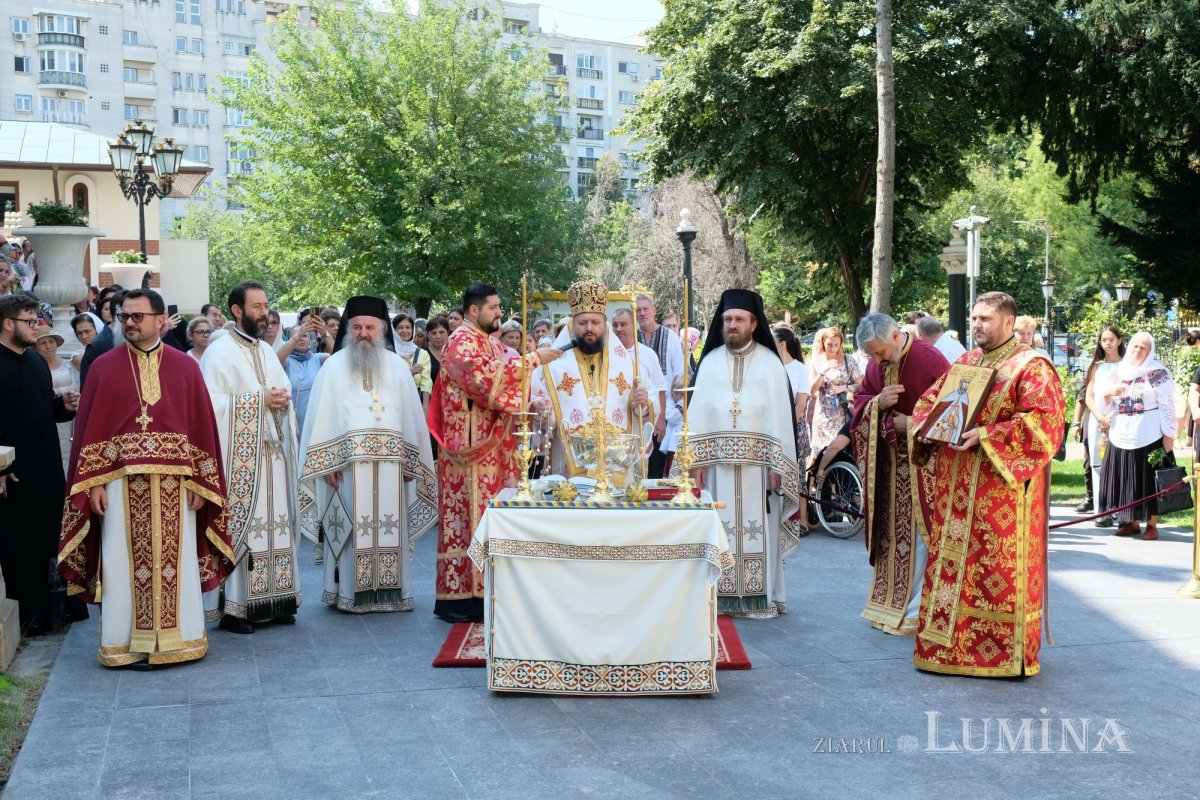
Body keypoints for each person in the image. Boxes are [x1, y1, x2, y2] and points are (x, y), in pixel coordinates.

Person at [58, 289, 234, 666]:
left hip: (177, 487)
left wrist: (200, 483)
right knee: (121, 564)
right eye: (124, 316)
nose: (130, 323)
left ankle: (180, 640)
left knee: (178, 564)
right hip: (119, 486)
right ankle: (124, 643)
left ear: (160, 319)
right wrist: (94, 483)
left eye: (138, 316)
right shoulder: (103, 367)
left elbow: (201, 429)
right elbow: (91, 431)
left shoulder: (185, 367)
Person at [910, 291, 1065, 677]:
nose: (977, 324)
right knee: (954, 571)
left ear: (1008, 322)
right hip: (956, 491)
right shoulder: (967, 361)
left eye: (985, 319)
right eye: (975, 317)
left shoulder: (1031, 366)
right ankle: (946, 649)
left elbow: (1045, 423)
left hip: (1001, 496)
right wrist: (927, 428)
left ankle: (1000, 656)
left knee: (994, 573)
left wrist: (986, 434)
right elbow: (930, 403)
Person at [428, 284, 561, 623]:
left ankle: (490, 591)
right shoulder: (460, 341)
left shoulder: (492, 342)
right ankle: (463, 599)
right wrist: (534, 359)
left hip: (496, 447)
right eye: (494, 307)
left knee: (492, 514)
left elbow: (510, 385)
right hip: (467, 450)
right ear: (474, 310)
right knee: (468, 520)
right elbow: (484, 381)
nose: (499, 313)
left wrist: (531, 402)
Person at [298, 296, 438, 613]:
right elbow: (321, 417)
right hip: (347, 469)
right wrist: (325, 464)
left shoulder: (398, 368)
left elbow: (411, 418)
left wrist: (411, 463)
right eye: (357, 327)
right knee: (349, 531)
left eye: (370, 327)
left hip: (392, 467)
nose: (363, 333)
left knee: (391, 529)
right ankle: (348, 593)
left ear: (382, 330)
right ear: (349, 329)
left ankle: (392, 592)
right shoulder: (333, 367)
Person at [687, 289, 801, 618]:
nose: (732, 325)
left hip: (760, 470)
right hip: (717, 467)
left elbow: (780, 417)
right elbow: (699, 413)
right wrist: (696, 461)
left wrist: (780, 465)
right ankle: (721, 597)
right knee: (719, 529)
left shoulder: (770, 363)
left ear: (753, 323)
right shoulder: (710, 361)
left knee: (759, 531)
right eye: (727, 319)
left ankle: (759, 599)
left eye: (739, 319)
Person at [199, 281, 302, 634]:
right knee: (244, 531)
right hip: (239, 461)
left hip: (273, 458)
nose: (264, 313)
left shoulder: (266, 351)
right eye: (257, 307)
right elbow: (209, 408)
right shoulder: (219, 352)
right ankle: (237, 609)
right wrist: (259, 401)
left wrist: (281, 402)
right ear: (237, 310)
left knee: (277, 527)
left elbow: (282, 393)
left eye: (266, 306)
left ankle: (278, 600)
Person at [850, 313, 948, 635]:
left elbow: (952, 412)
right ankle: (889, 603)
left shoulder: (929, 359)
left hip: (923, 468)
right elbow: (860, 404)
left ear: (895, 336)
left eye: (880, 352)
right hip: (888, 470)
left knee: (920, 539)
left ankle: (916, 609)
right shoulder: (875, 365)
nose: (878, 361)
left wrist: (912, 423)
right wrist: (877, 404)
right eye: (872, 356)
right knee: (891, 538)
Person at [0, 298, 81, 635]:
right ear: (8, 323)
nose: (36, 327)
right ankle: (31, 618)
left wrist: (62, 406)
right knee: (22, 545)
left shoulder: (34, 359)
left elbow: (43, 408)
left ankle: (58, 611)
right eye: (30, 321)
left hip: (47, 466)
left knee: (51, 537)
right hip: (14, 473)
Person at [532, 281, 656, 482]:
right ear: (572, 325)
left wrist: (640, 406)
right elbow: (545, 423)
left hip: (616, 469)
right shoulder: (550, 368)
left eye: (595, 322)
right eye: (582, 323)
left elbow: (645, 410)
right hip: (569, 470)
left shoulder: (628, 364)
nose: (589, 328)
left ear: (605, 326)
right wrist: (543, 414)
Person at [1098, 332, 1177, 540]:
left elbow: (1167, 404)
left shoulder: (1158, 373)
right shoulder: (1119, 371)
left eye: (1143, 348)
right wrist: (1109, 392)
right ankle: (1131, 522)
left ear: (1150, 351)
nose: (1137, 351)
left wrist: (1169, 434)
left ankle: (1151, 524)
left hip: (1149, 433)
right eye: (1135, 346)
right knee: (1126, 478)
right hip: (1121, 432)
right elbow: (1104, 402)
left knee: (1148, 479)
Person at [635, 294, 685, 478]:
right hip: (638, 412)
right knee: (638, 464)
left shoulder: (670, 337)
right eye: (638, 310)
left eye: (645, 309)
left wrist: (672, 410)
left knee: (658, 467)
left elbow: (680, 373)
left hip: (668, 412)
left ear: (654, 311)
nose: (642, 313)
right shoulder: (632, 338)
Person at [612, 307, 667, 468]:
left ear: (634, 325)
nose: (619, 329)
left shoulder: (647, 354)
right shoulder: (605, 356)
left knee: (635, 470)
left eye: (623, 324)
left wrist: (660, 418)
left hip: (637, 425)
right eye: (615, 325)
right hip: (612, 427)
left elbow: (659, 389)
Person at [1082, 326, 1124, 524]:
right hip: (1098, 421)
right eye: (1104, 340)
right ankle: (1101, 512)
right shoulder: (1096, 366)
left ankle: (1118, 509)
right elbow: (1089, 397)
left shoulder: (1126, 365)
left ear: (1119, 341)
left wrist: (1112, 416)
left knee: (1118, 465)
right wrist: (1100, 417)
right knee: (1098, 464)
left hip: (1120, 419)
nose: (1107, 343)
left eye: (1111, 339)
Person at [810, 326, 863, 456]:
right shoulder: (817, 361)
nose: (832, 348)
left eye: (836, 345)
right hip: (823, 415)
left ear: (841, 344)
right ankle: (816, 469)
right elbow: (812, 390)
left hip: (843, 413)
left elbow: (861, 384)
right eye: (829, 344)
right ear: (823, 342)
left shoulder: (848, 360)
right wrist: (822, 372)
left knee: (839, 451)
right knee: (818, 452)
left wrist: (844, 387)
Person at [33, 325, 78, 471]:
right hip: (48, 415)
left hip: (69, 416)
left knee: (70, 451)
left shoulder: (69, 364)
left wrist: (58, 392)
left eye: (51, 342)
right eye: (42, 343)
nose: (48, 346)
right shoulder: (34, 368)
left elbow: (77, 385)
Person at [283, 318, 328, 432]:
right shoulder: (287, 361)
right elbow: (276, 359)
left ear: (310, 340)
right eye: (298, 335)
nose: (301, 338)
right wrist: (298, 335)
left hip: (316, 422)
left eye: (304, 336)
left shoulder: (317, 359)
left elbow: (338, 357)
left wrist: (325, 334)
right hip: (293, 423)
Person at [393, 312, 433, 409]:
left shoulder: (422, 354)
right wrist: (409, 371)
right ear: (394, 330)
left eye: (408, 327)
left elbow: (426, 383)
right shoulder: (389, 353)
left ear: (412, 329)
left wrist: (425, 408)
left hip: (416, 404)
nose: (404, 331)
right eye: (400, 327)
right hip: (394, 403)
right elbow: (387, 380)